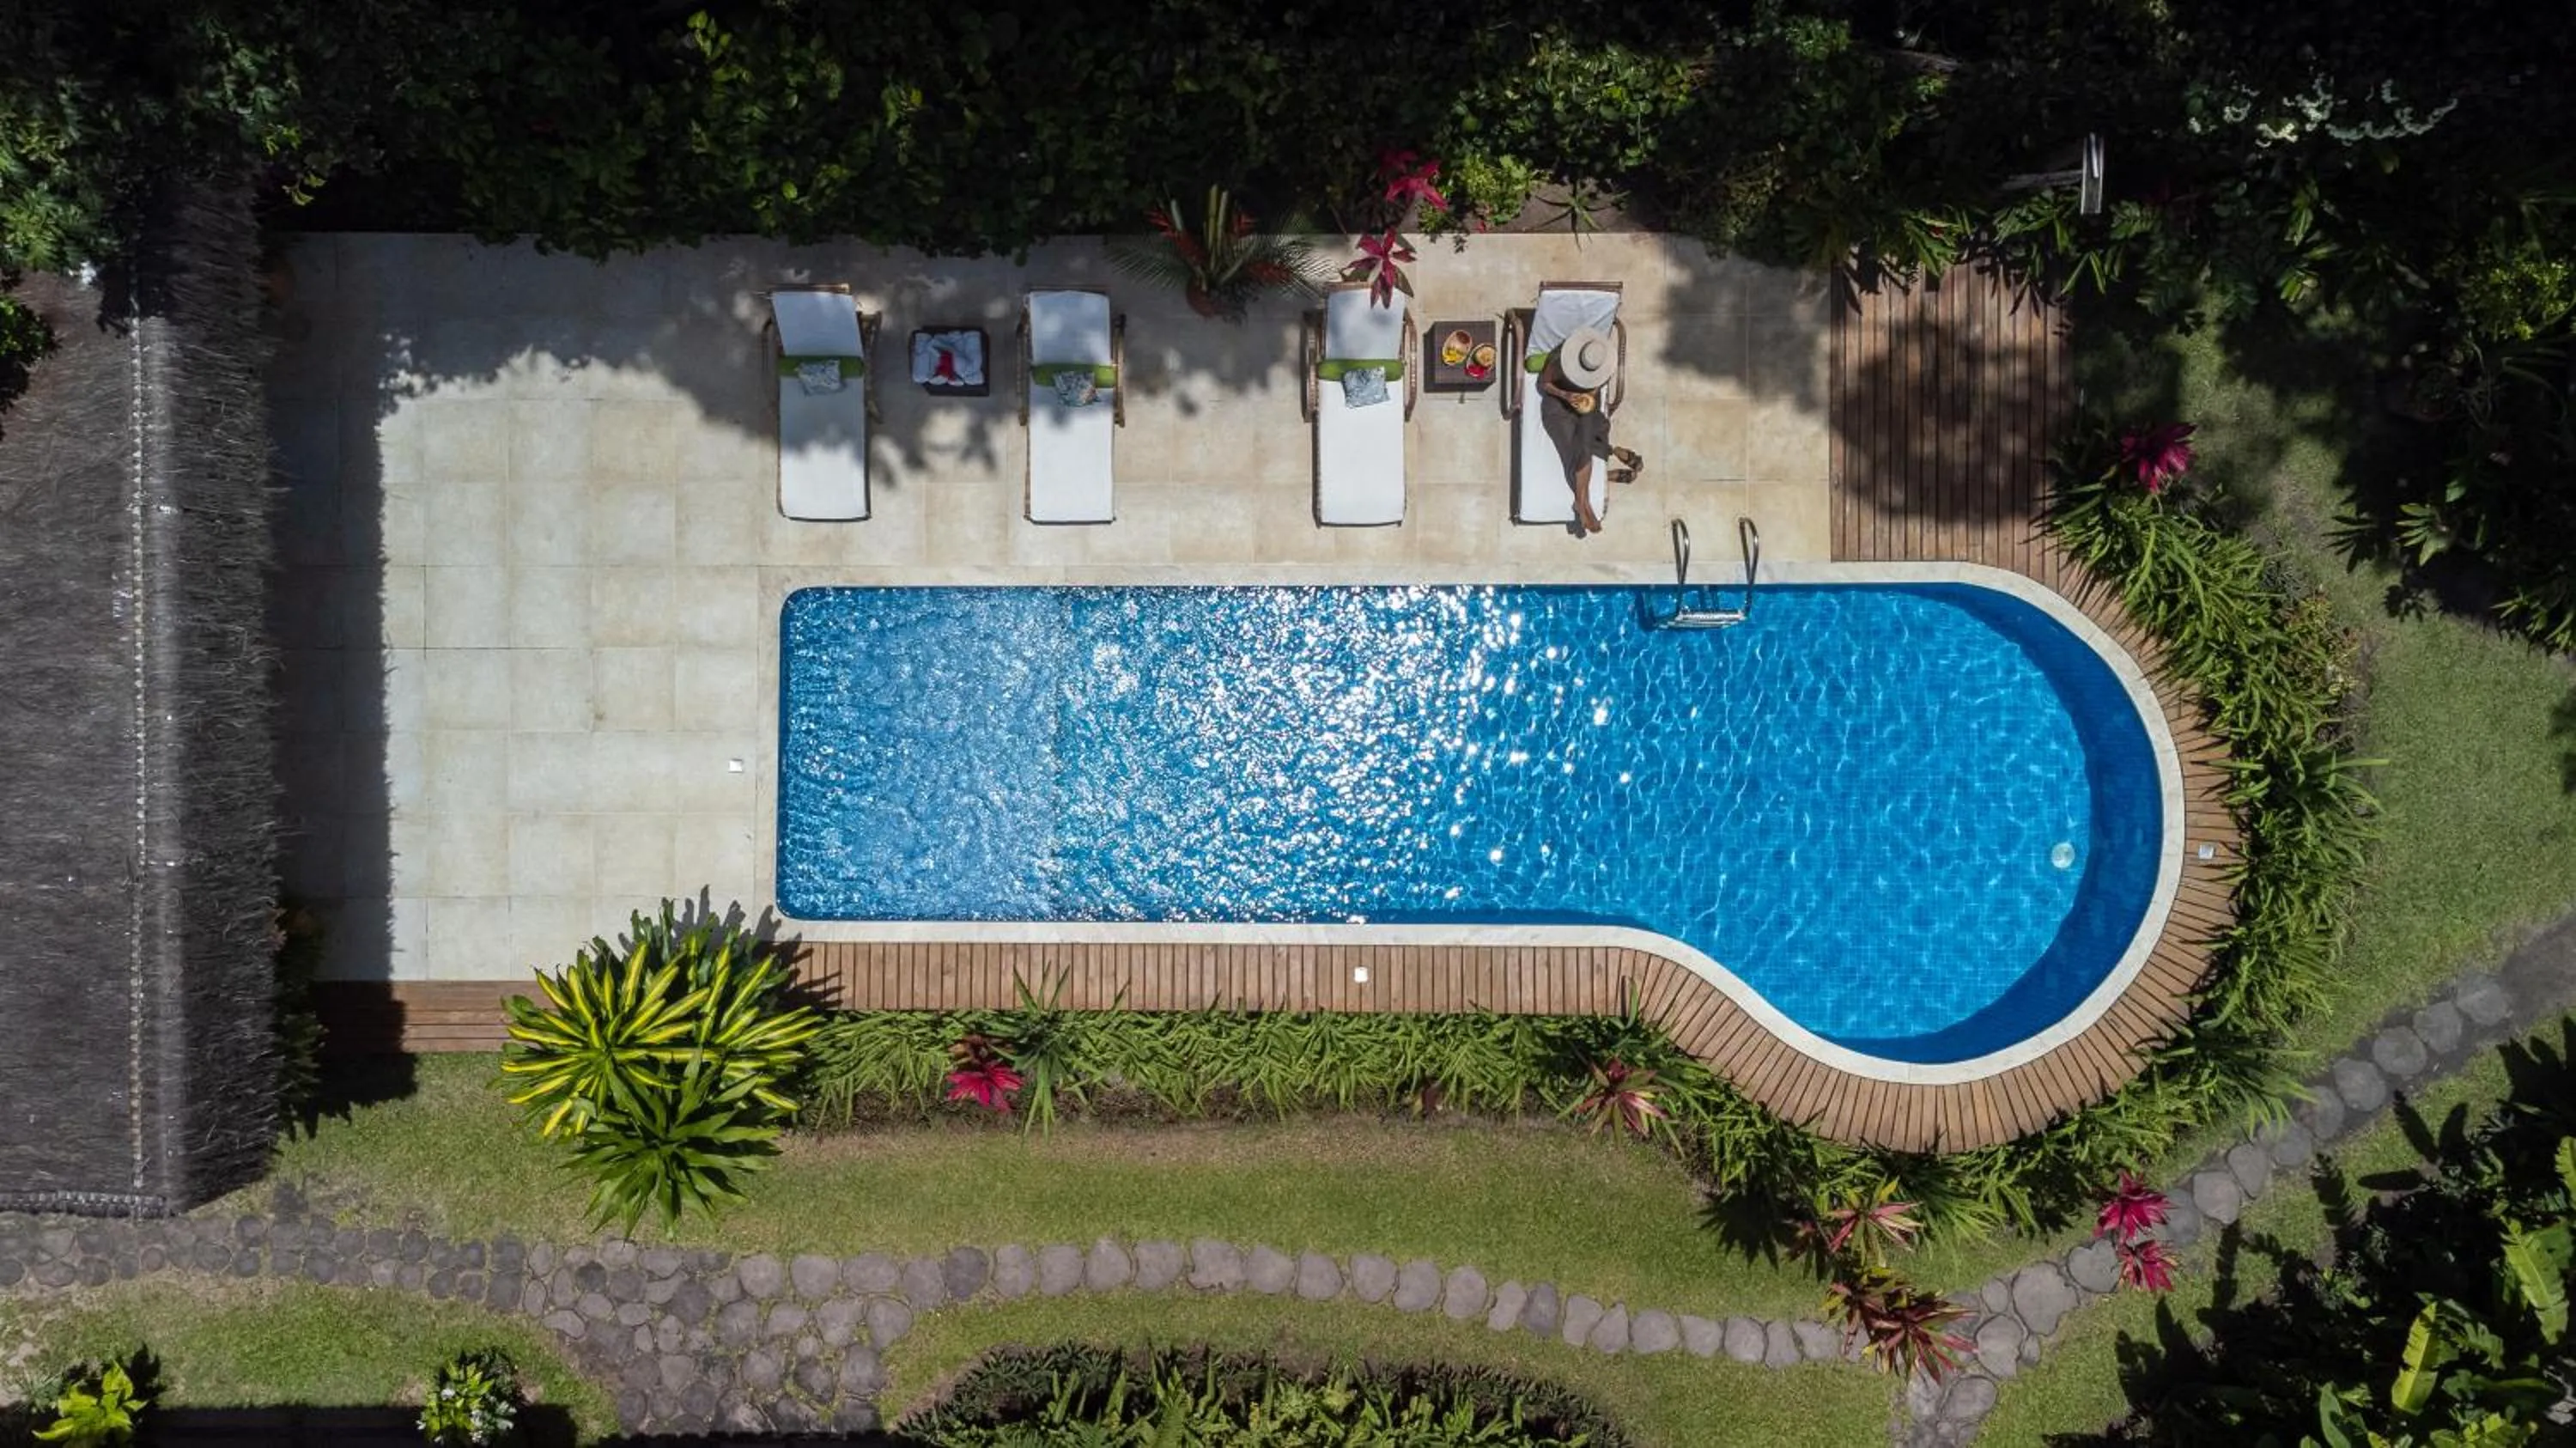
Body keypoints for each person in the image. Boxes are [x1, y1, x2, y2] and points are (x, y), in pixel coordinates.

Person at [1535, 324, 1644, 535]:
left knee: (1594, 428)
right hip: (1557, 407)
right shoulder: (1560, 359)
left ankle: (1606, 460)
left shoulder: (1602, 360)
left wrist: (1589, 394)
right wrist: (1566, 396)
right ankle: (1583, 501)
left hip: (1585, 404)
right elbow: (1544, 383)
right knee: (1575, 450)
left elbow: (1598, 386)